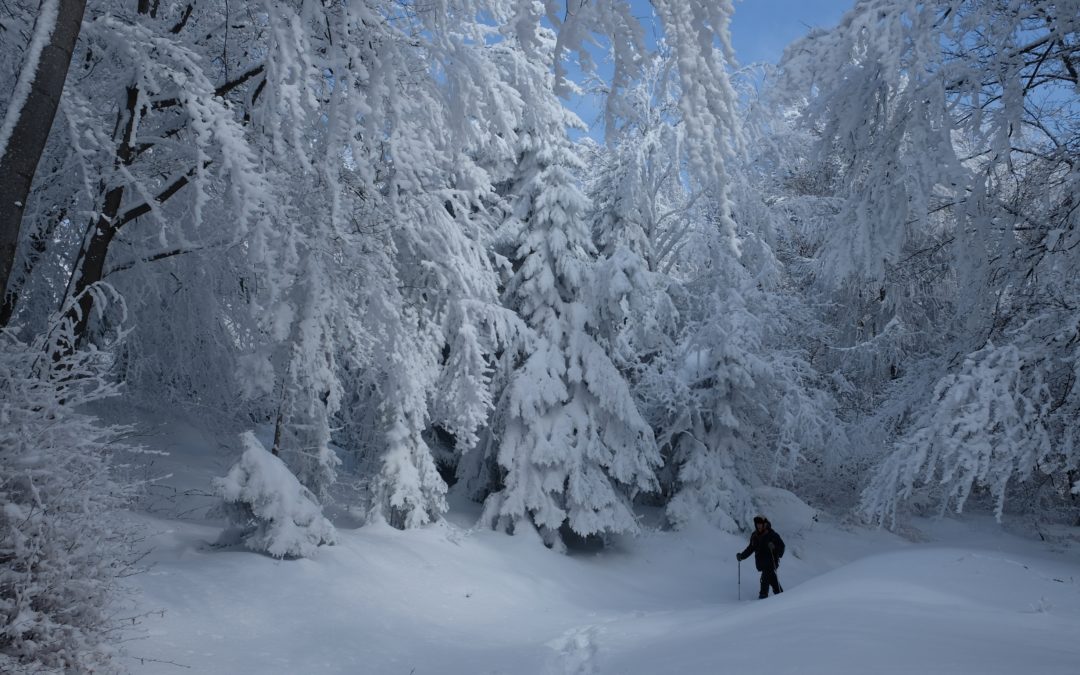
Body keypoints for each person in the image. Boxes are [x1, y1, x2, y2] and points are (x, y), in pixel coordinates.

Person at [736, 515, 785, 598]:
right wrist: (741, 556)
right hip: (761, 563)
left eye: (760, 523)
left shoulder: (772, 534)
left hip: (771, 562)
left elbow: (782, 547)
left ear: (764, 524)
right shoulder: (755, 536)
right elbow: (750, 548)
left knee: (765, 579)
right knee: (772, 579)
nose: (758, 525)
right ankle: (781, 596)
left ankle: (763, 597)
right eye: (757, 524)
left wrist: (774, 547)